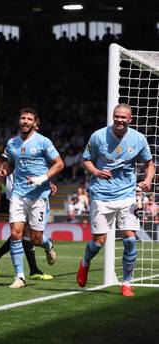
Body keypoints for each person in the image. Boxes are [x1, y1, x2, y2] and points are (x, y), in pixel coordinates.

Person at [77, 104, 154, 297]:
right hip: (101, 195)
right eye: (116, 116)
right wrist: (96, 171)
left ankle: (126, 283)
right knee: (98, 242)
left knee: (130, 240)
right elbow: (86, 159)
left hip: (127, 195)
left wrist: (147, 180)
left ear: (130, 119)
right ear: (113, 117)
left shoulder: (138, 139)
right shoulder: (98, 136)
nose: (119, 120)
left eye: (123, 117)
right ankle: (85, 262)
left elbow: (149, 164)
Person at [0, 108, 64, 288]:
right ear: (19, 121)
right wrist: (4, 171)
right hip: (18, 193)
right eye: (23, 118)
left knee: (35, 239)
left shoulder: (43, 142)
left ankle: (48, 245)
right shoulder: (12, 143)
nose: (25, 121)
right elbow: (10, 164)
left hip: (39, 195)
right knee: (15, 233)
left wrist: (43, 179)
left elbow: (59, 164)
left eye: (29, 119)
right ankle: (20, 276)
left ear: (35, 123)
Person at [0, 172, 56, 280]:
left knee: (22, 232)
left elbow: (31, 164)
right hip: (18, 189)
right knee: (24, 231)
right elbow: (3, 165)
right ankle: (34, 269)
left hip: (28, 186)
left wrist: (46, 182)